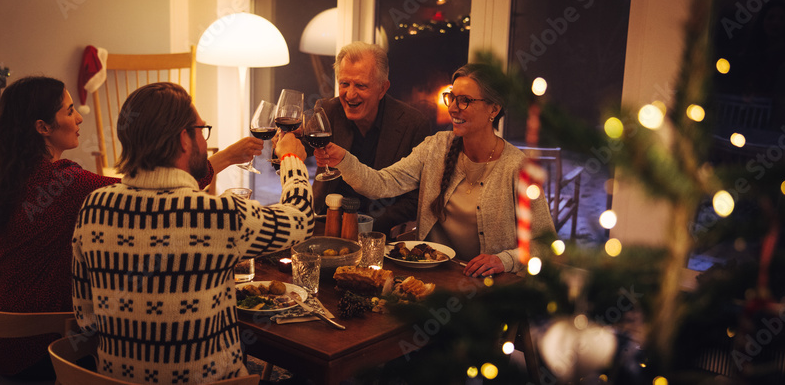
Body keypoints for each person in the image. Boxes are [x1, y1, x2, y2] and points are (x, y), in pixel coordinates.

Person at [0, 76, 263, 380]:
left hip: (3, 346)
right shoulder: (64, 182)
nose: (79, 117)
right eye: (69, 111)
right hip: (43, 352)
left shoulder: (5, 177)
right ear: (42, 127)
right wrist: (227, 156)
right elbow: (149, 193)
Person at [71, 82, 313, 383]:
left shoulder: (94, 206)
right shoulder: (216, 215)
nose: (204, 137)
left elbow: (86, 319)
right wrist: (292, 160)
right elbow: (300, 220)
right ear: (183, 139)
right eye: (201, 129)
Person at [316, 63, 554, 277]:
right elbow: (382, 183)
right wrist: (343, 159)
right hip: (431, 279)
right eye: (451, 97)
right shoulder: (436, 147)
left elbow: (545, 243)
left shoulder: (516, 167)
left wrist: (505, 260)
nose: (453, 108)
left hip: (486, 292)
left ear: (493, 109)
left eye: (465, 100)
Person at [310, 41, 432, 234]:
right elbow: (299, 146)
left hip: (380, 231)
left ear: (383, 89)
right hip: (326, 222)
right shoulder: (328, 111)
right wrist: (284, 144)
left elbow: (418, 197)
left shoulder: (413, 124)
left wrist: (371, 224)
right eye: (344, 84)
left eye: (360, 85)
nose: (350, 94)